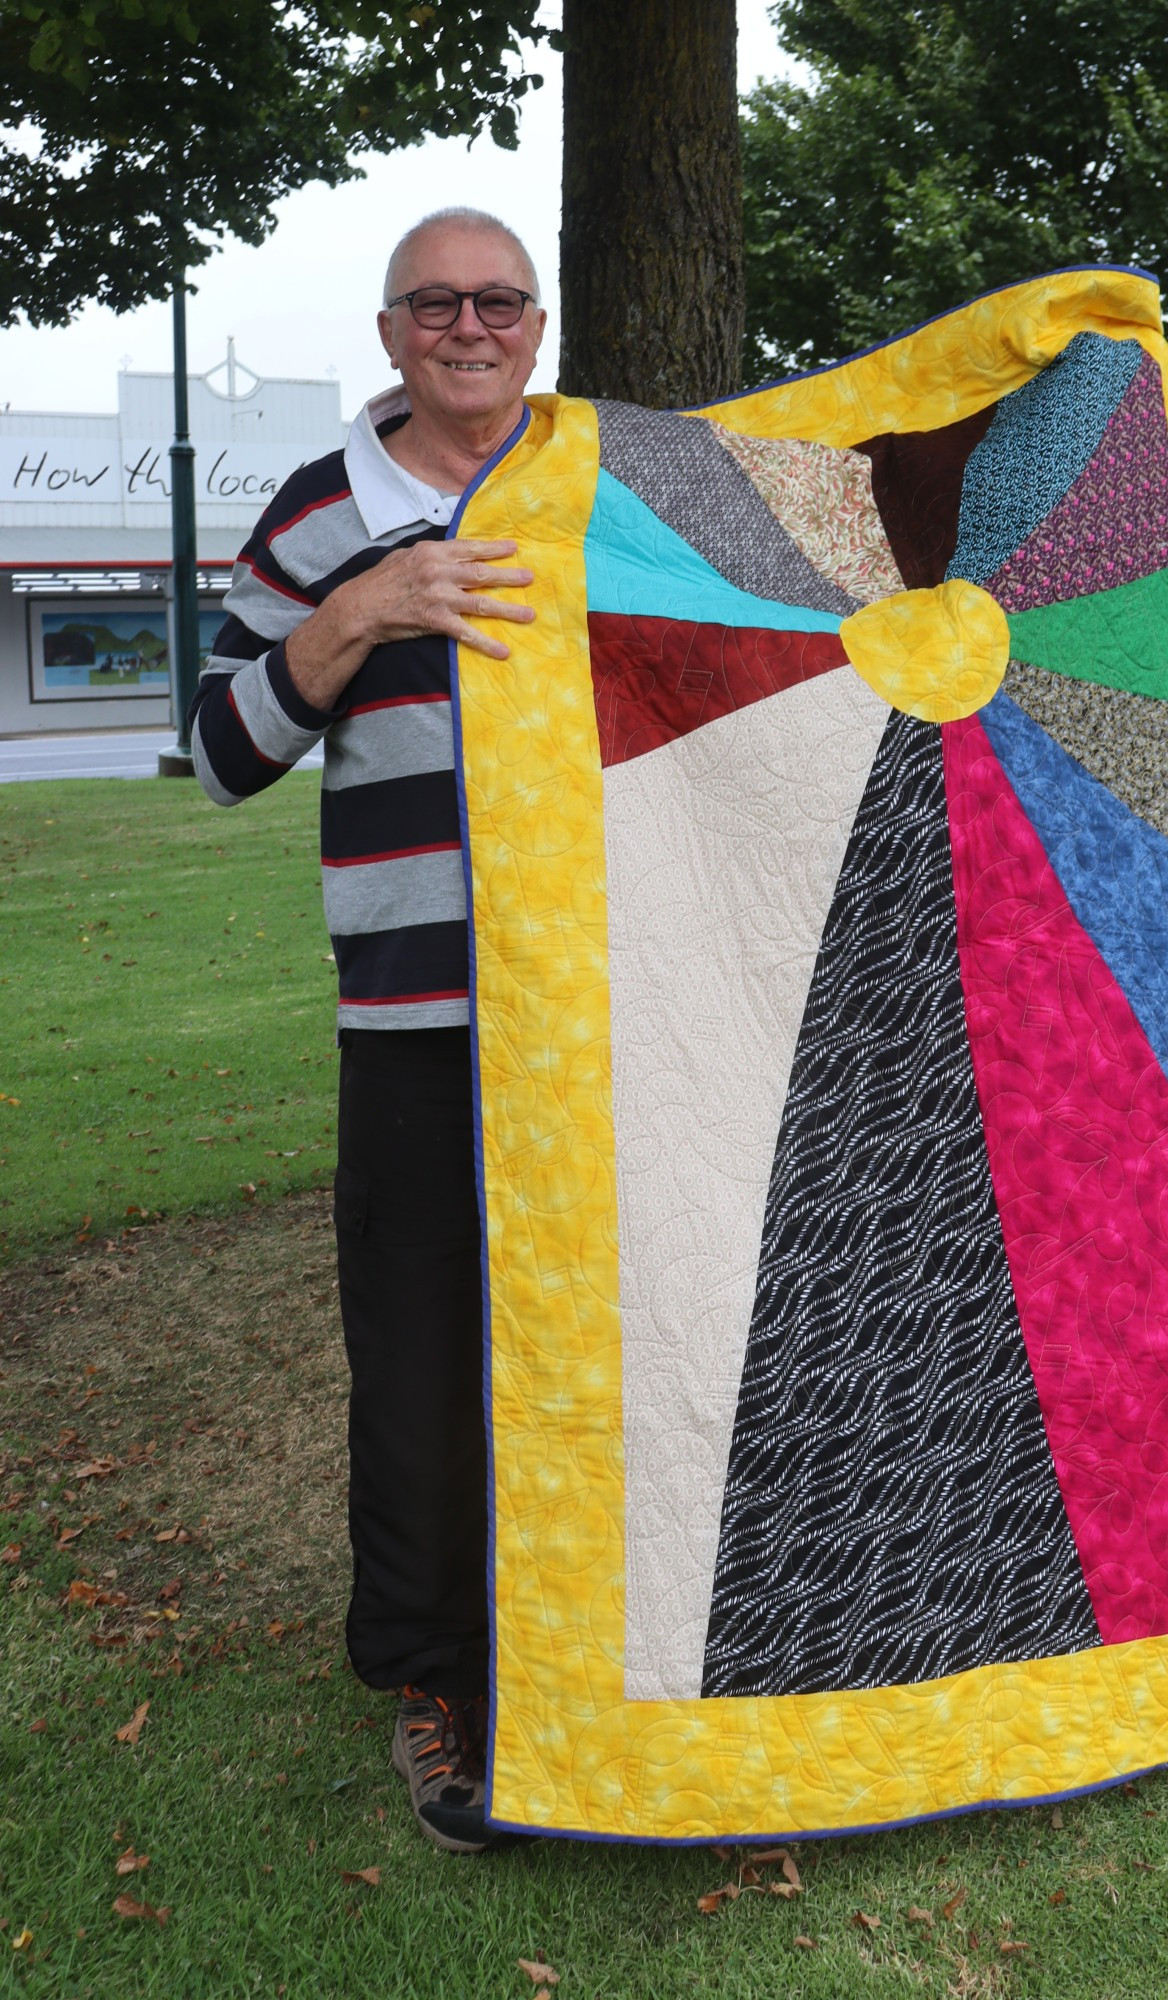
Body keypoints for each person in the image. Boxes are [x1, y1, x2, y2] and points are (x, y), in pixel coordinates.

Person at [190, 207, 544, 1853]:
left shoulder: (602, 482)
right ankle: (431, 1672)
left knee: (607, 1330)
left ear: (535, 325)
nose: (469, 326)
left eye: (501, 301)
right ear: (391, 327)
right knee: (419, 1354)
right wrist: (362, 611)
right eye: (436, 303)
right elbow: (222, 752)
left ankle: (596, 1646)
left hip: (613, 1012)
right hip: (414, 1009)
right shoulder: (315, 510)